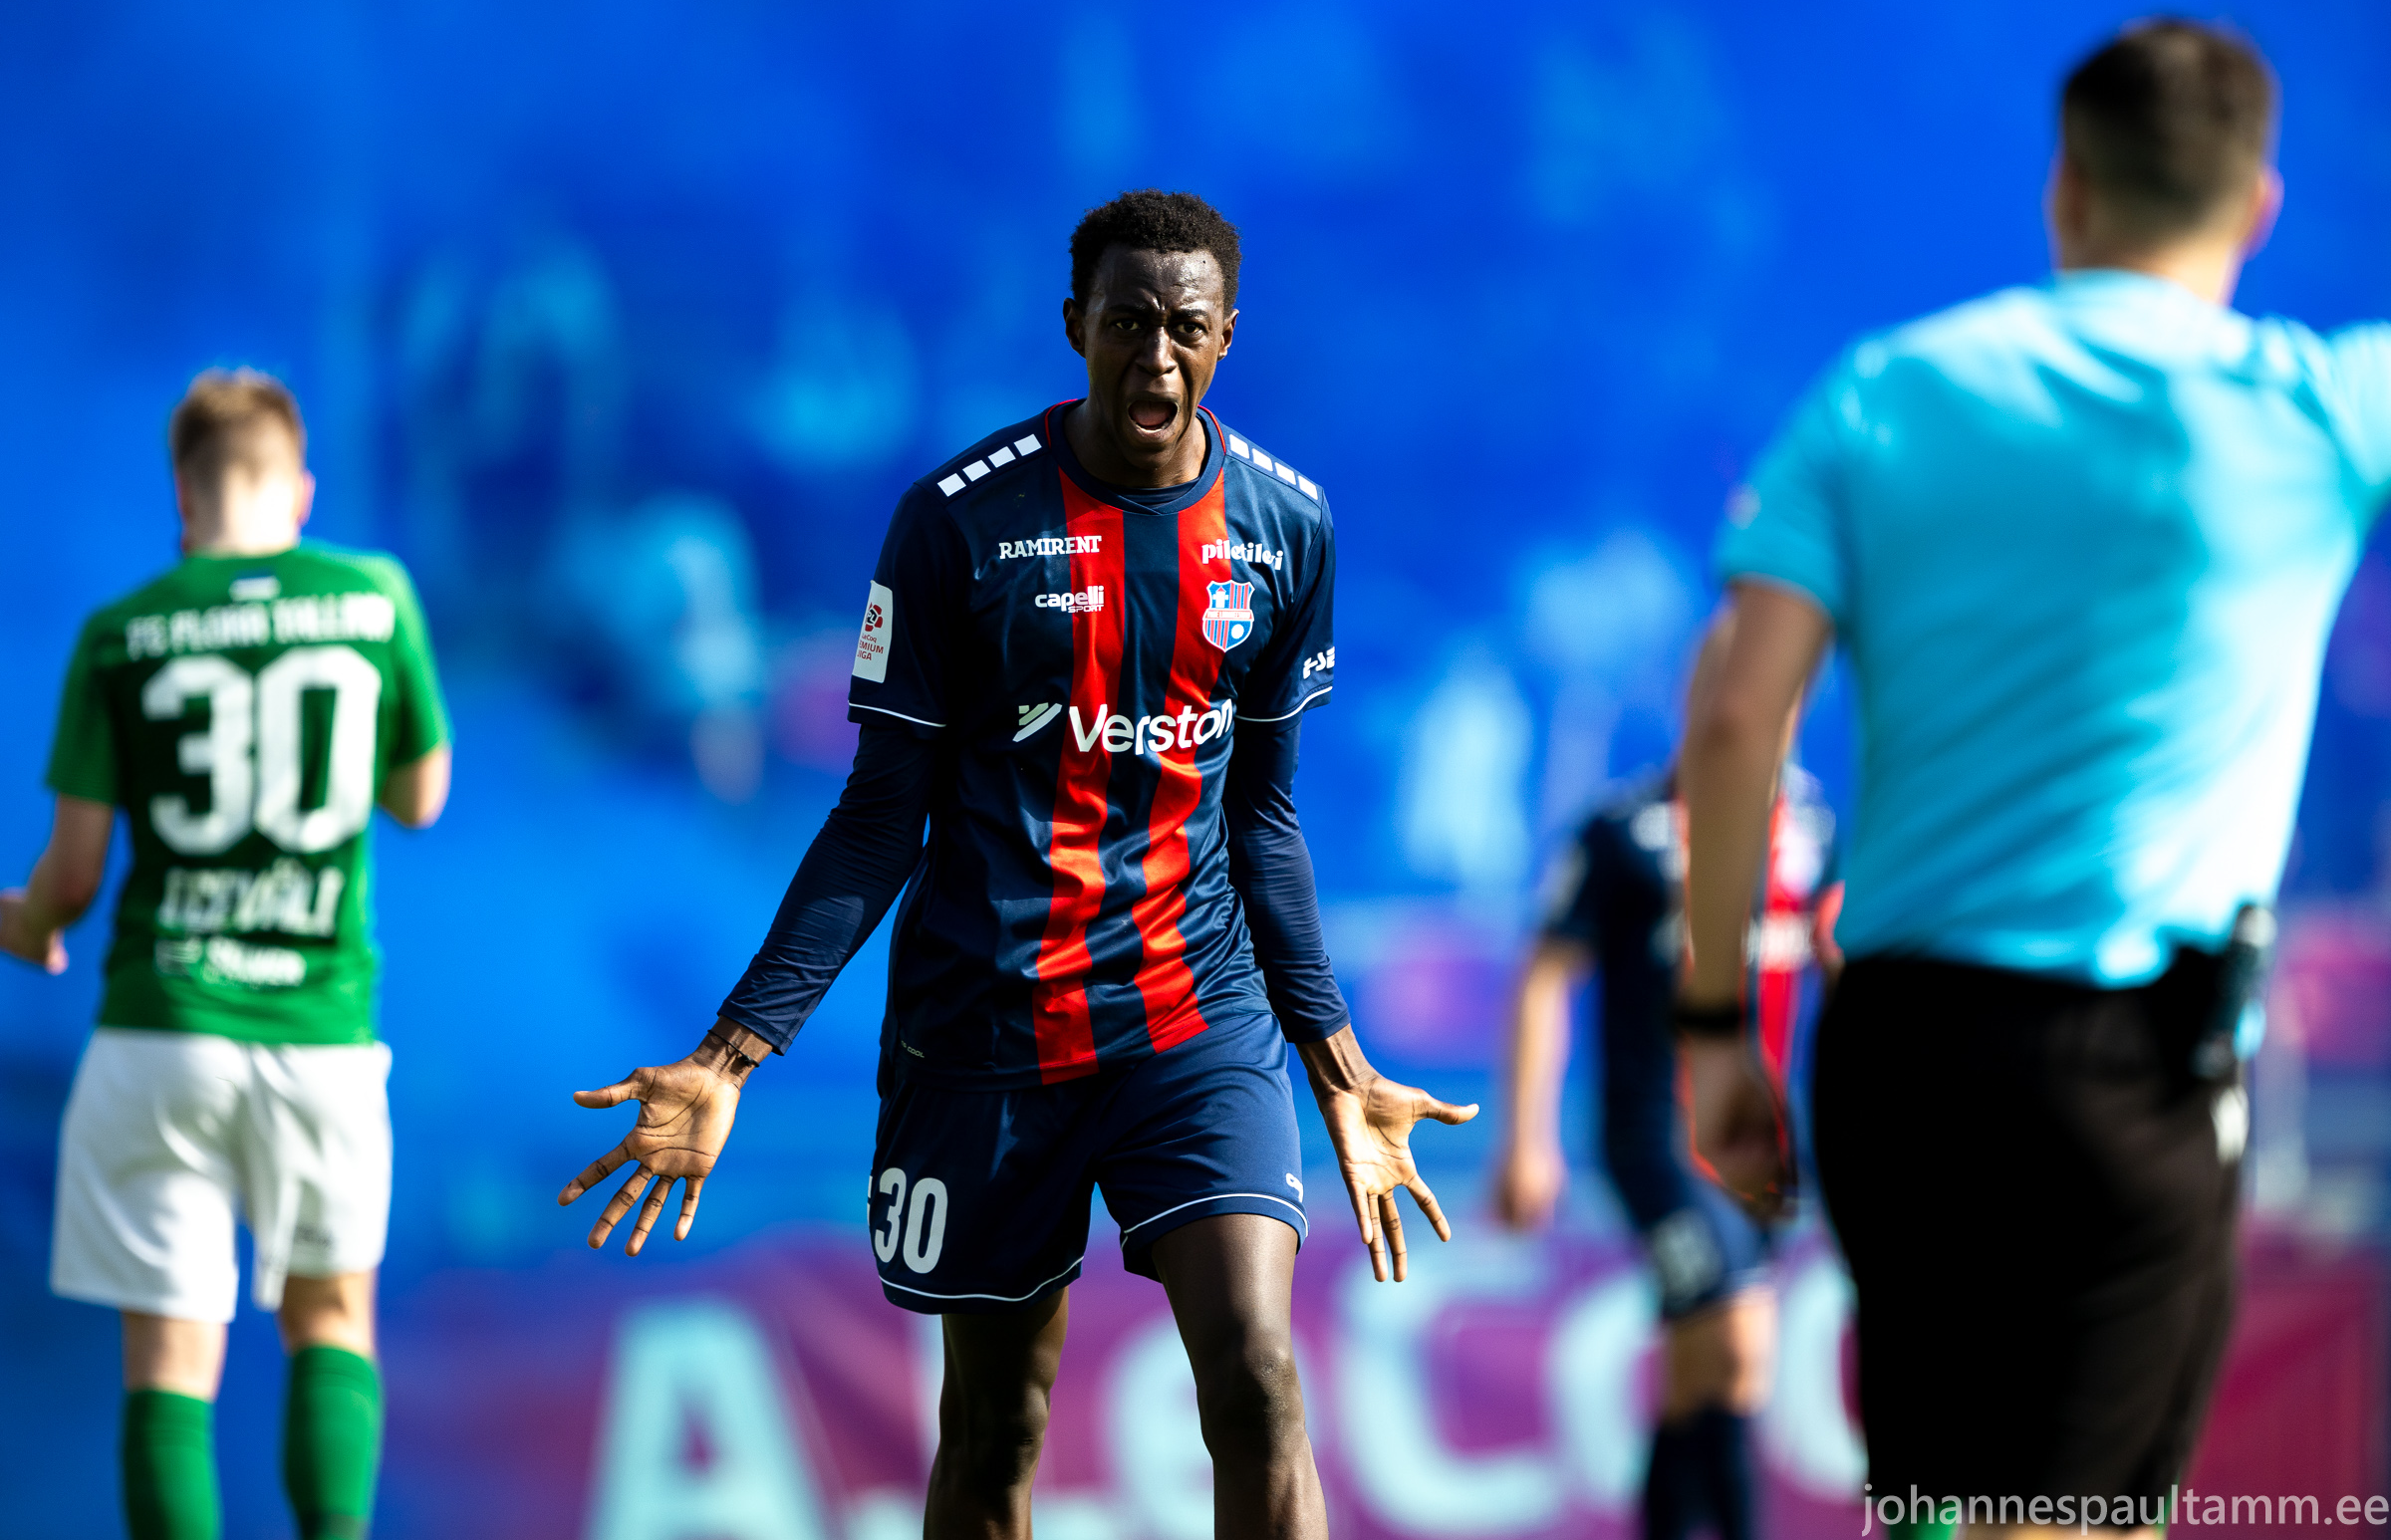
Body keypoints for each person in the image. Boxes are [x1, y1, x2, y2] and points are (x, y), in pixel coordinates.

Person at [561, 189, 1476, 1540]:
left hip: (1194, 1019)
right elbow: (881, 818)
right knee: (997, 1431)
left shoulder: (1288, 529)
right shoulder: (958, 525)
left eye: (1185, 329)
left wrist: (1337, 1067)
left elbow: (1264, 821)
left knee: (1260, 1383)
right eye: (1126, 324)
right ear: (1074, 326)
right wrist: (729, 1055)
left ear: (1228, 335)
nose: (1155, 358)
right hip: (989, 1027)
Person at [1676, 19, 2391, 1535]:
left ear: (2066, 185)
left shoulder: (1881, 391)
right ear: (2260, 205)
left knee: (1938, 1507)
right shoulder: (2329, 410)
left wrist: (1716, 1023)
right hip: (2132, 1067)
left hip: (1901, 1055)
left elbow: (1738, 715)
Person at [1, 370, 452, 1540]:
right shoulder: (374, 596)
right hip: (320, 1032)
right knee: (330, 1320)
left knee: (168, 1361)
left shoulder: (122, 631)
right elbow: (421, 798)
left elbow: (73, 879)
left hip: (160, 1031)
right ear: (300, 490)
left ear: (183, 494)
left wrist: (26, 924)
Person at [1491, 615, 1840, 1540]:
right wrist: (1526, 1142)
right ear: (1696, 697)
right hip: (1657, 1135)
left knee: (1704, 1374)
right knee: (1737, 1342)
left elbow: (1846, 956)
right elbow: (1545, 977)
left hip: (1765, 1144)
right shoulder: (1625, 830)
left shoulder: (1810, 829)